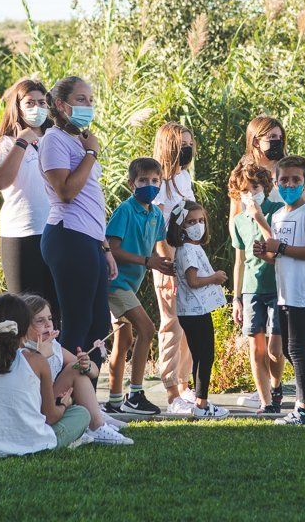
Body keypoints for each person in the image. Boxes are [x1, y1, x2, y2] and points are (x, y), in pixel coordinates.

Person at [38, 77, 117, 378]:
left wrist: (105, 247)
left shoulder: (78, 140)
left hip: (90, 239)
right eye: (82, 99)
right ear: (61, 104)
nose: (89, 105)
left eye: (91, 99)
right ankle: (64, 402)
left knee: (98, 325)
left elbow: (91, 200)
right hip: (67, 235)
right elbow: (66, 191)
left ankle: (89, 407)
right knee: (77, 323)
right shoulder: (53, 139)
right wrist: (92, 154)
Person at [253, 155, 305, 425]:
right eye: (284, 180)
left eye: (296, 180)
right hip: (285, 293)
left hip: (304, 293)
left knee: (297, 349)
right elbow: (279, 255)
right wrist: (265, 253)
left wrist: (280, 248)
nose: (290, 184)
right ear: (276, 184)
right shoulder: (278, 215)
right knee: (291, 350)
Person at [0, 293, 90, 456]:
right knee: (81, 414)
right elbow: (50, 417)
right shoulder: (37, 361)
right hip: (34, 445)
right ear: (25, 327)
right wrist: (65, 404)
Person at [104, 157, 175, 416]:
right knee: (147, 329)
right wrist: (148, 261)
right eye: (143, 180)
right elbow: (112, 249)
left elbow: (160, 246)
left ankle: (113, 400)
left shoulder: (155, 213)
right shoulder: (125, 210)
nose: (150, 185)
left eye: (155, 180)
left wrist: (169, 268)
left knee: (124, 338)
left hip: (130, 285)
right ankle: (135, 394)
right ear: (131, 183)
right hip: (115, 283)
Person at [0, 77, 58, 325]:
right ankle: (22, 361)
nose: (37, 108)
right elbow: (0, 181)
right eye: (30, 102)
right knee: (25, 311)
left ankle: (54, 362)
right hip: (20, 233)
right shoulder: (5, 142)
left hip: (54, 231)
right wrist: (23, 140)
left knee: (54, 310)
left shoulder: (55, 138)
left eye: (42, 102)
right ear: (17, 106)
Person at [228, 115, 287, 409]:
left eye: (279, 137)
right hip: (253, 279)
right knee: (256, 343)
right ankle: (266, 396)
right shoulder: (243, 175)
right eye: (270, 138)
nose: (276, 142)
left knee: (279, 345)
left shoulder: (285, 174)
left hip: (279, 274)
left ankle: (277, 386)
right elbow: (237, 237)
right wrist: (236, 296)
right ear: (255, 140)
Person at [167, 201, 230, 419]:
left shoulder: (191, 248)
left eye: (201, 220)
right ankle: (202, 404)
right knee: (205, 355)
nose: (198, 225)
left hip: (192, 310)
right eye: (191, 222)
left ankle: (200, 401)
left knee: (200, 355)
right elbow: (193, 281)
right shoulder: (188, 250)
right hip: (195, 311)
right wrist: (215, 277)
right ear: (180, 226)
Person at [151, 122, 196, 412]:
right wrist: (167, 265)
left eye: (190, 144)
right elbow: (155, 227)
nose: (187, 149)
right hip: (167, 257)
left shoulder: (184, 177)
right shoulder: (156, 181)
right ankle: (170, 393)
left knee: (189, 322)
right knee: (171, 323)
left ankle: (184, 384)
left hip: (188, 255)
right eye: (182, 144)